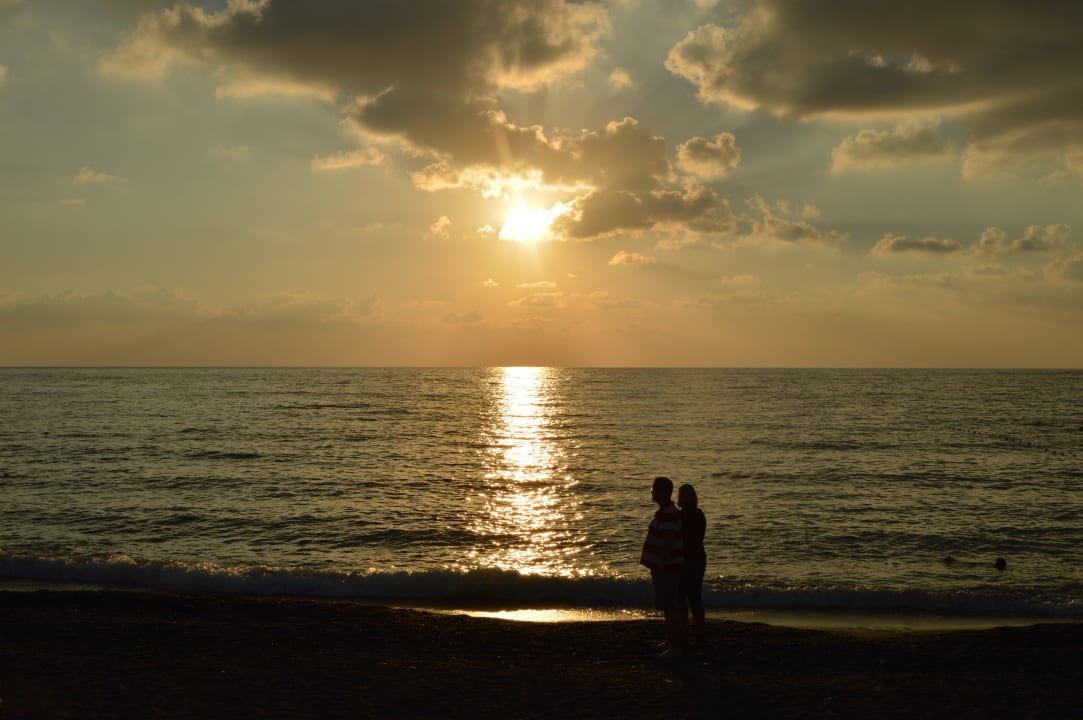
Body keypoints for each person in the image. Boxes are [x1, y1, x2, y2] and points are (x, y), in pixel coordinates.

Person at [640, 476, 684, 658]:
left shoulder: (669, 513)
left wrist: (660, 564)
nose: (651, 492)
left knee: (670, 606)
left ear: (663, 492)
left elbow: (667, 541)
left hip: (667, 568)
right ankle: (670, 641)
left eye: (654, 489)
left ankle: (675, 646)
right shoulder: (665, 512)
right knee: (668, 605)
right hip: (665, 566)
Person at [677, 483, 706, 642]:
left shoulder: (680, 516)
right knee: (695, 596)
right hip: (699, 558)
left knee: (681, 596)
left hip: (685, 559)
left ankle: (684, 628)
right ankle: (699, 629)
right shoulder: (699, 514)